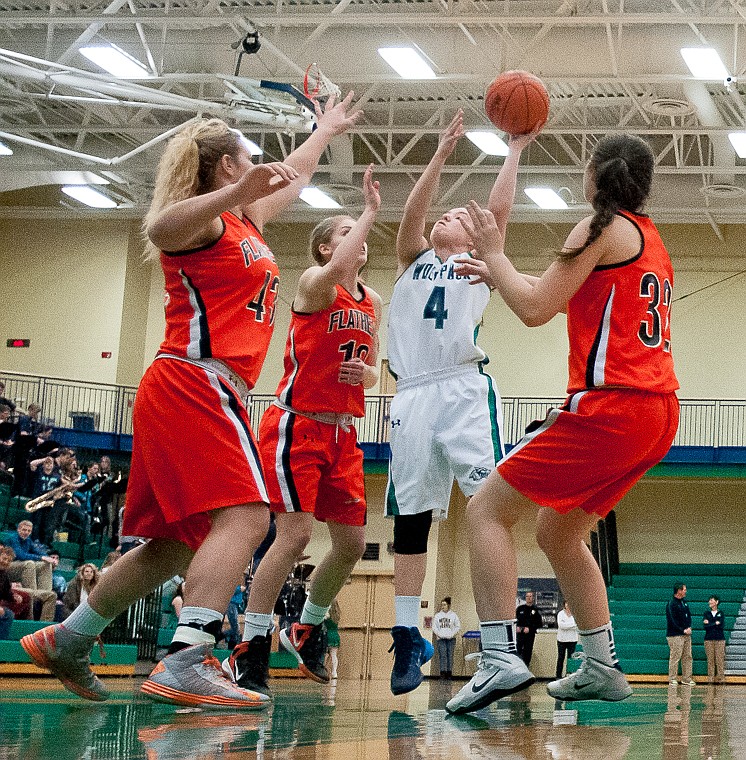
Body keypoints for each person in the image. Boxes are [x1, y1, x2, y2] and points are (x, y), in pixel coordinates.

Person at [20, 95, 361, 708]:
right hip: (193, 380)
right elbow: (157, 226)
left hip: (199, 387)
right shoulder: (205, 222)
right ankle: (188, 657)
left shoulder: (246, 222)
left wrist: (324, 129)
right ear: (227, 167)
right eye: (247, 160)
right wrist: (234, 196)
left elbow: (299, 173)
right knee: (249, 517)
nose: (257, 167)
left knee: (174, 544)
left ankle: (69, 639)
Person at [445, 133, 679, 714]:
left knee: (486, 509)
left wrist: (497, 254)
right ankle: (602, 666)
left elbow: (533, 308)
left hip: (616, 406)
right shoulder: (652, 240)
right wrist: (499, 269)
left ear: (594, 175)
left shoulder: (598, 227)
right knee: (557, 532)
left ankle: (500, 656)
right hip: (656, 412)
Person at [384, 111, 534, 696]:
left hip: (463, 390)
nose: (446, 216)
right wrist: (441, 152)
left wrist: (514, 150)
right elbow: (413, 215)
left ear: (474, 240)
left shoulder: (478, 264)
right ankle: (403, 636)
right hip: (413, 392)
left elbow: (497, 214)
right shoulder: (412, 258)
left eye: (457, 217)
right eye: (443, 214)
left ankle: (498, 646)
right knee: (411, 517)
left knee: (487, 507)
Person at [221, 165, 382, 697]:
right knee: (292, 537)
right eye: (342, 232)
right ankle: (251, 643)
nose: (354, 239)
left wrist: (372, 374)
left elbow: (373, 365)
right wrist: (370, 212)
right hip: (298, 425)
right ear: (322, 249)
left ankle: (308, 623)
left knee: (353, 544)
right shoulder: (314, 286)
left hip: (343, 432)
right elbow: (336, 264)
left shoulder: (371, 301)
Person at [5, 520, 54, 592]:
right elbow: (20, 555)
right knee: (29, 563)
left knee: (45, 564)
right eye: (24, 530)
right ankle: (33, 594)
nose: (26, 533)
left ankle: (45, 593)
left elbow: (38, 551)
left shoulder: (28, 540)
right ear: (18, 529)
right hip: (8, 567)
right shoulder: (13, 539)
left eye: (29, 531)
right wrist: (41, 558)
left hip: (20, 566)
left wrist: (49, 559)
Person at [666, 583, 695, 686]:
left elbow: (689, 617)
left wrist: (689, 627)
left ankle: (686, 678)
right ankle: (672, 678)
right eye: (684, 589)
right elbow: (672, 620)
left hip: (686, 635)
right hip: (675, 635)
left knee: (688, 656)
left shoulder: (684, 602)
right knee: (675, 656)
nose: (685, 591)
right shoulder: (671, 604)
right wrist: (682, 630)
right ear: (679, 590)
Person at [432, 597, 460, 679]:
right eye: (442, 605)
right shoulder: (437, 616)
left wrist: (452, 634)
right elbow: (434, 627)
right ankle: (443, 672)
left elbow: (457, 626)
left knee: (450, 655)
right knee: (442, 655)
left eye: (444, 605)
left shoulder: (453, 615)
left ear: (448, 605)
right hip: (441, 638)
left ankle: (449, 673)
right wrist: (439, 634)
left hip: (451, 639)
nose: (442, 606)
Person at [515, 590, 543, 666]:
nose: (529, 598)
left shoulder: (536, 610)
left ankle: (526, 669)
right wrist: (517, 627)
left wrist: (530, 629)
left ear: (533, 598)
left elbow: (539, 624)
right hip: (520, 635)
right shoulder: (520, 609)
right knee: (518, 652)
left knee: (527, 653)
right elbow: (515, 620)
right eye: (527, 596)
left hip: (529, 636)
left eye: (530, 596)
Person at [703, 594, 725, 683]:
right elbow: (705, 626)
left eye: (711, 600)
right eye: (709, 600)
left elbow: (721, 625)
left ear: (716, 602)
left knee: (719, 659)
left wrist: (710, 623)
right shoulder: (706, 613)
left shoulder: (721, 613)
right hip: (708, 639)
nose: (710, 602)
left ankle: (720, 678)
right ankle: (711, 678)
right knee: (710, 659)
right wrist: (714, 623)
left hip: (720, 639)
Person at [555, 600, 579, 679]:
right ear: (564, 604)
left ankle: (570, 676)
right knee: (560, 658)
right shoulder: (560, 614)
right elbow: (561, 626)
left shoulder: (576, 613)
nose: (568, 605)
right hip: (562, 640)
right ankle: (558, 676)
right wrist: (573, 625)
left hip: (572, 640)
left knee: (571, 659)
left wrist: (569, 625)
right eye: (566, 603)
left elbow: (578, 625)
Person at [325, 599, 341, 681]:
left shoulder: (326, 615)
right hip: (335, 635)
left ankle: (324, 670)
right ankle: (334, 672)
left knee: (326, 654)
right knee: (334, 655)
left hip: (327, 634)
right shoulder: (337, 615)